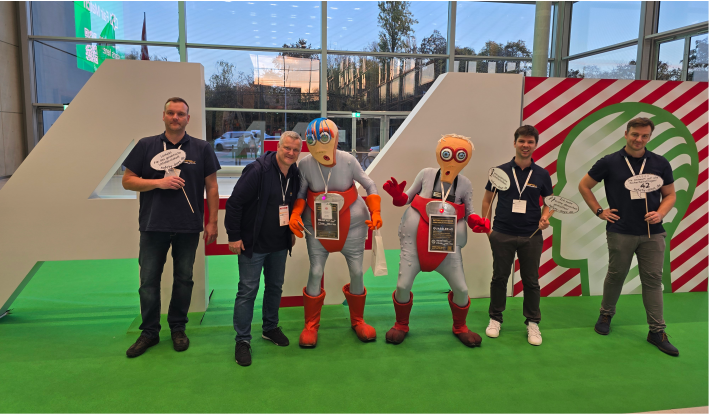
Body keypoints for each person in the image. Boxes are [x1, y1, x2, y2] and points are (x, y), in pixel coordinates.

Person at [122, 97, 220, 357]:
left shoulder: (201, 148)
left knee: (184, 279)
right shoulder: (146, 145)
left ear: (188, 118)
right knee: (148, 281)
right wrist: (158, 183)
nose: (176, 117)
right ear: (163, 116)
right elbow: (127, 181)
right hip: (153, 226)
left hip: (188, 227)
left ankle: (178, 328)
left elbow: (212, 187)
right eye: (171, 113)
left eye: (181, 113)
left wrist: (212, 222)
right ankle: (149, 332)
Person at [578, 117, 678, 356]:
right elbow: (584, 185)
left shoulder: (660, 163)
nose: (639, 139)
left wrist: (660, 213)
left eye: (644, 136)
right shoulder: (609, 162)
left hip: (653, 233)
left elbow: (670, 194)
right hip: (620, 231)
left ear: (649, 137)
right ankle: (606, 314)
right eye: (635, 134)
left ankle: (657, 331)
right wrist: (599, 211)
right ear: (626, 134)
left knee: (653, 281)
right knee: (616, 275)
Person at [382, 134, 487, 347]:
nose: (452, 160)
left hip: (447, 246)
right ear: (439, 153)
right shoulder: (426, 174)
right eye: (448, 153)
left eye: (459, 155)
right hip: (414, 244)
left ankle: (460, 326)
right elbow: (406, 198)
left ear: (466, 158)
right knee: (403, 285)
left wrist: (476, 222)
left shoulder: (465, 184)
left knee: (462, 289)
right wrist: (397, 196)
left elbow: (470, 212)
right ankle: (401, 323)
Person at [289, 118, 382, 348]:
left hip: (353, 224)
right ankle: (311, 325)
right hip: (317, 225)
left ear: (335, 138)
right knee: (315, 271)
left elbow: (369, 185)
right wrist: (295, 214)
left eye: (324, 137)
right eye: (311, 139)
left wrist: (376, 211)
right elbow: (301, 194)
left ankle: (358, 320)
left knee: (357, 271)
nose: (318, 145)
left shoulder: (348, 160)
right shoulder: (305, 164)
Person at [225, 132, 302, 366]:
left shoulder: (295, 173)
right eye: (287, 148)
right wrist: (234, 236)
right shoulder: (257, 170)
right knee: (247, 291)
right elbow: (234, 203)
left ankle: (270, 327)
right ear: (278, 147)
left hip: (279, 243)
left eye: (295, 150)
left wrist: (290, 233)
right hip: (253, 243)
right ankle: (242, 340)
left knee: (275, 287)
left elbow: (291, 205)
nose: (290, 153)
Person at [482, 125, 553, 346]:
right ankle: (495, 318)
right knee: (499, 278)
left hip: (531, 235)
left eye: (530, 142)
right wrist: (487, 228)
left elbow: (549, 203)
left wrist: (545, 218)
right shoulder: (500, 172)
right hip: (502, 233)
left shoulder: (542, 174)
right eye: (522, 141)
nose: (525, 145)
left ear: (535, 145)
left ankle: (532, 322)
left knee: (531, 281)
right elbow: (487, 200)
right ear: (515, 143)